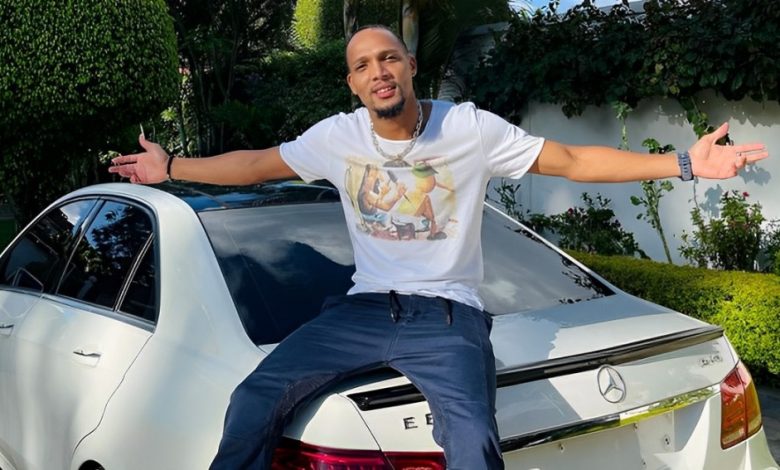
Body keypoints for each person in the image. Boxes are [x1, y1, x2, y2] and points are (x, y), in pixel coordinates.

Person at [109, 25, 768, 470]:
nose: (378, 71)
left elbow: (570, 160)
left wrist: (685, 164)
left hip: (447, 318)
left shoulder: (469, 128)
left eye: (388, 58)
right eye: (363, 66)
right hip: (363, 311)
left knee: (473, 442)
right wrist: (172, 168)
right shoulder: (337, 138)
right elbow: (256, 165)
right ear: (352, 84)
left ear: (410, 66)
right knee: (254, 399)